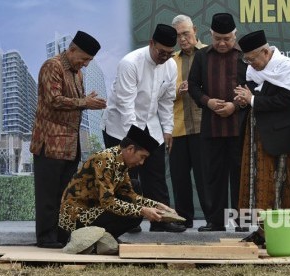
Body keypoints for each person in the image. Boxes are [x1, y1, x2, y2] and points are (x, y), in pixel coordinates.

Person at [102, 24, 186, 233]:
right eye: (161, 52)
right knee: (125, 177)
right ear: (151, 43)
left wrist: (167, 130)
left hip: (150, 125)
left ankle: (162, 221)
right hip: (120, 126)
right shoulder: (130, 63)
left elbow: (167, 101)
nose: (164, 57)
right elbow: (126, 104)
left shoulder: (170, 66)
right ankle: (128, 221)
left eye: (169, 53)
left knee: (155, 174)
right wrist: (135, 142)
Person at [30, 31, 107, 248]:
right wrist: (85, 102)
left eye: (89, 61)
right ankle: (46, 238)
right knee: (48, 195)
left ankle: (61, 236)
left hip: (71, 143)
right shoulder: (52, 66)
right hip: (50, 142)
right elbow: (54, 100)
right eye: (83, 59)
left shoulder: (78, 73)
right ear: (71, 50)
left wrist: (85, 100)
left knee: (64, 194)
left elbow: (76, 100)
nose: (85, 64)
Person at [234, 30, 290, 245]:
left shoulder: (286, 67)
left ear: (265, 52)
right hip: (255, 135)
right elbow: (252, 95)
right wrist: (245, 101)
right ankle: (262, 231)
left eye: (253, 59)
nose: (251, 64)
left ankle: (277, 233)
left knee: (276, 184)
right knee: (254, 183)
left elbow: (286, 101)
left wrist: (253, 100)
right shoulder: (253, 71)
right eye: (247, 60)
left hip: (278, 136)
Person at [58, 125, 178, 242]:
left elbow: (130, 195)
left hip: (94, 210)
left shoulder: (120, 161)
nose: (142, 162)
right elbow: (108, 202)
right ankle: (88, 239)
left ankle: (106, 238)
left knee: (135, 189)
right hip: (77, 218)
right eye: (142, 157)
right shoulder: (105, 159)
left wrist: (157, 205)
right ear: (130, 149)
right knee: (135, 212)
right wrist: (143, 210)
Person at [188, 13, 248, 232]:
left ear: (235, 35)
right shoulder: (202, 56)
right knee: (213, 176)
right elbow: (193, 86)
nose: (222, 43)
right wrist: (208, 102)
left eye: (227, 39)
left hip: (239, 127)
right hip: (211, 127)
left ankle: (242, 222)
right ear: (211, 35)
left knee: (240, 176)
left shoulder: (244, 57)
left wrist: (235, 105)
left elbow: (253, 86)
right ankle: (215, 221)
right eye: (218, 39)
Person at [169, 15, 207, 228]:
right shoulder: (171, 60)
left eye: (186, 33)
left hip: (204, 127)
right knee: (179, 178)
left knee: (206, 177)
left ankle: (213, 219)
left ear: (195, 30)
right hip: (178, 128)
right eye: (178, 36)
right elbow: (161, 93)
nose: (182, 39)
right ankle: (183, 219)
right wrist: (177, 90)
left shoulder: (209, 54)